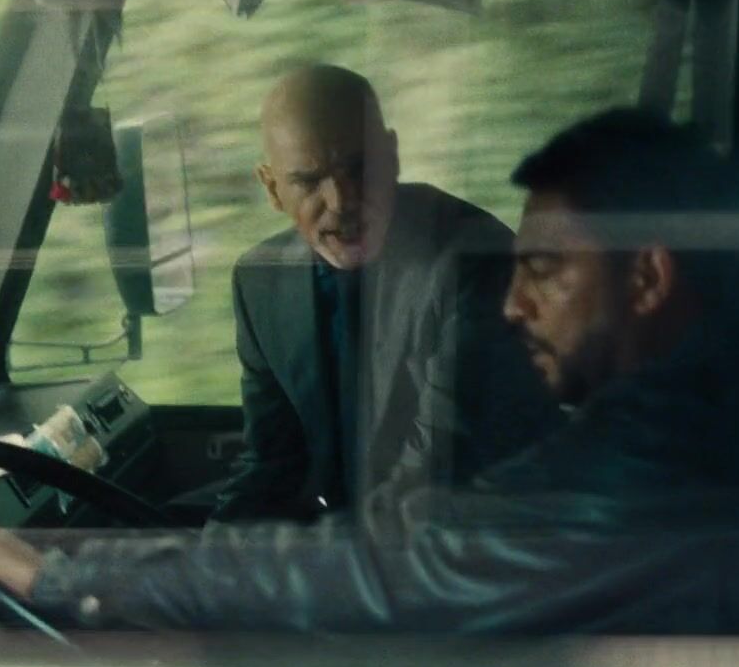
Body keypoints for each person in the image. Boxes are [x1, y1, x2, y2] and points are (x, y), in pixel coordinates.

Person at [0, 108, 739, 634]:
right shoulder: (681, 421)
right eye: (309, 180)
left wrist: (63, 578)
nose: (515, 307)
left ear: (647, 278)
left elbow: (397, 561)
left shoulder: (640, 464)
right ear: (272, 187)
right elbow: (285, 476)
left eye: (545, 271)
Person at [213, 64, 557, 522]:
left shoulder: (474, 260)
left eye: (360, 168)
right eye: (309, 181)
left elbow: (437, 471)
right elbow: (271, 462)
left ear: (392, 157)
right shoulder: (259, 283)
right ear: (273, 189)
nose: (342, 201)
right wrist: (210, 548)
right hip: (358, 538)